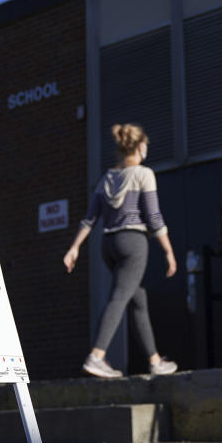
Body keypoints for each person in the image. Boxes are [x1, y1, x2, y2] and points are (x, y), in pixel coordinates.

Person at [64, 123, 179, 378]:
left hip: (109, 245)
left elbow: (90, 218)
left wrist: (74, 247)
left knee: (138, 301)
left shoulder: (107, 178)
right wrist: (169, 251)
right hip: (134, 243)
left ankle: (154, 360)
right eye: (146, 145)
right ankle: (97, 355)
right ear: (140, 147)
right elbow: (154, 217)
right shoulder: (143, 174)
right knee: (119, 298)